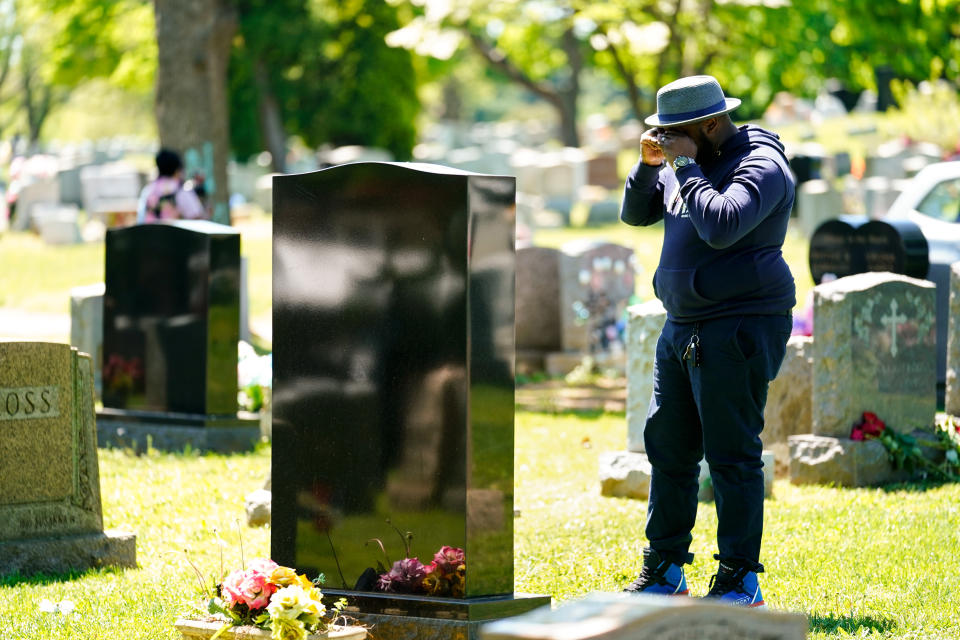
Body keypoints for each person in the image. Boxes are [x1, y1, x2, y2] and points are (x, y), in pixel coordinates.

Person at [619, 75, 795, 607]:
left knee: (731, 457)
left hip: (737, 326)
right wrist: (650, 166)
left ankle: (740, 579)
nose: (665, 140)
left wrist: (686, 167)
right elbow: (636, 213)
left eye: (673, 132)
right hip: (682, 326)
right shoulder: (679, 161)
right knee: (669, 450)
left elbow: (722, 224)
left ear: (711, 124)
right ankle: (665, 569)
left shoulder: (762, 166)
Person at [136, 148, 206, 223]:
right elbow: (197, 219)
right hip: (176, 234)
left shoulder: (148, 191)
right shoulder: (181, 191)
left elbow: (141, 219)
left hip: (149, 233)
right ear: (177, 170)